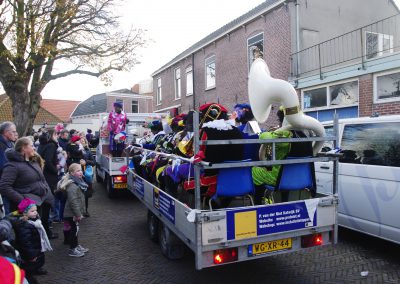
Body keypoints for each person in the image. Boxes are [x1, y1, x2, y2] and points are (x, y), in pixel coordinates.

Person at [251, 108, 313, 204]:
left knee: (254, 171)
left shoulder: (285, 134)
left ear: (282, 120)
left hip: (281, 178)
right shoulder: (304, 135)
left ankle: (258, 204)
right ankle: (284, 201)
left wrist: (273, 132)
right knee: (286, 169)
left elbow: (263, 137)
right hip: (303, 179)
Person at [0, 137, 56, 239]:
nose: (34, 148)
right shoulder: (12, 166)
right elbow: (4, 187)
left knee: (37, 237)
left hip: (39, 204)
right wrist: (25, 203)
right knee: (27, 239)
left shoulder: (33, 161)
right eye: (31, 145)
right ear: (23, 148)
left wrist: (48, 196)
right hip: (26, 209)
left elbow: (42, 181)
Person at [11, 199, 52, 283]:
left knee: (36, 263)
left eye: (36, 210)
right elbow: (26, 243)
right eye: (32, 211)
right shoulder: (24, 226)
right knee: (29, 269)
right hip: (29, 252)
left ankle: (36, 269)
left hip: (36, 247)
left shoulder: (34, 221)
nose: (36, 213)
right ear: (25, 213)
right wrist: (31, 255)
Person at [57, 163, 88, 257]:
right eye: (78, 171)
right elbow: (73, 201)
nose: (80, 172)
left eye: (81, 170)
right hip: (72, 214)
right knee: (73, 230)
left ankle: (76, 245)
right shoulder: (72, 185)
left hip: (74, 212)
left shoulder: (78, 181)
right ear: (72, 173)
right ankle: (72, 249)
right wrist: (78, 214)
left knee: (76, 230)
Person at [37, 129, 60, 222]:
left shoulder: (42, 144)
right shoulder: (51, 145)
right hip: (49, 176)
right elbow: (48, 161)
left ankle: (46, 225)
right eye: (56, 134)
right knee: (48, 202)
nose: (57, 136)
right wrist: (55, 171)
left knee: (45, 203)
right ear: (52, 135)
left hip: (43, 174)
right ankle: (47, 227)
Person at [0, 121, 18, 215]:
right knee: (6, 213)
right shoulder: (1, 145)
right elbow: (4, 166)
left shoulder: (10, 144)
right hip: (4, 184)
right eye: (14, 131)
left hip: (11, 184)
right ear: (6, 132)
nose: (16, 134)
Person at [80, 137, 95, 217]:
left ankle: (85, 210)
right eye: (80, 141)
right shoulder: (74, 150)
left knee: (85, 194)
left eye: (83, 141)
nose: (81, 142)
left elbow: (94, 162)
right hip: (77, 175)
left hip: (85, 175)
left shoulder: (88, 151)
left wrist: (86, 162)